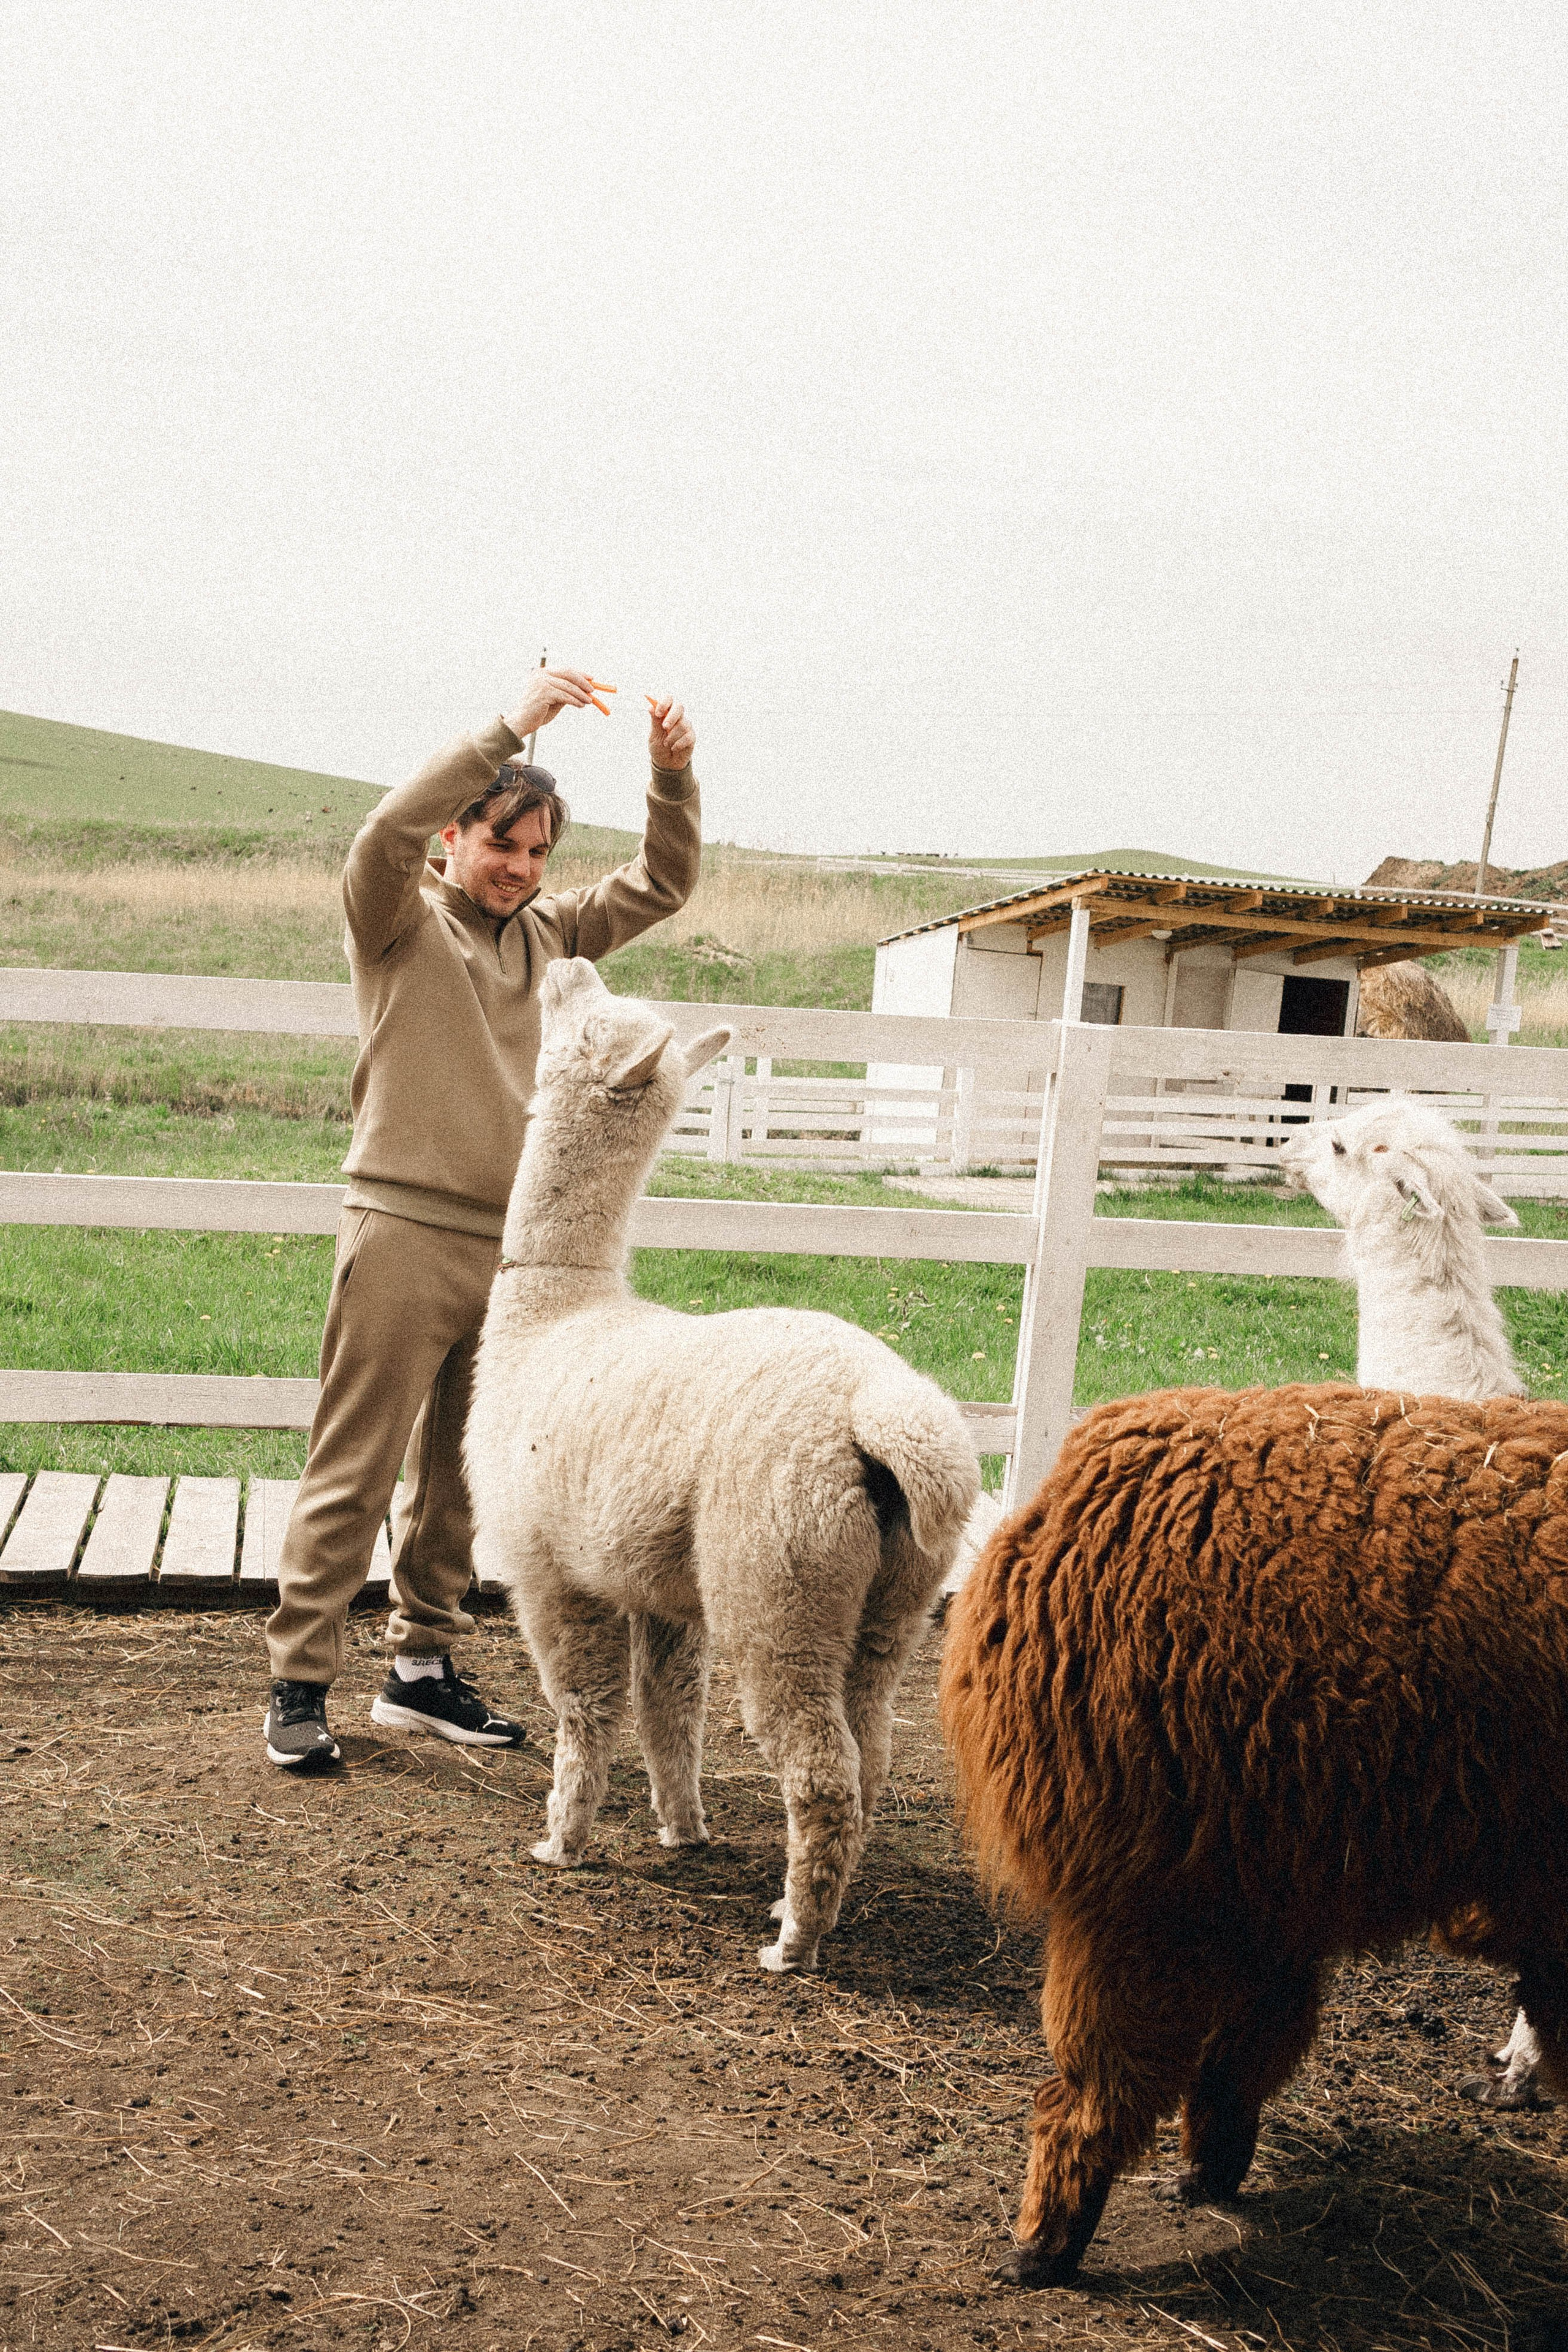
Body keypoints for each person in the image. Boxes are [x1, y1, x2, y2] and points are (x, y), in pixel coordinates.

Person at [262, 668, 701, 1768]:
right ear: (453, 838)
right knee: (355, 1470)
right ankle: (299, 1680)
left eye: (538, 850)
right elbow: (381, 828)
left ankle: (419, 1671)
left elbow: (663, 882)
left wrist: (671, 774)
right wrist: (513, 725)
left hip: (513, 1261)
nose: (519, 869)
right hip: (401, 1234)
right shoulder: (396, 922)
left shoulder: (553, 938)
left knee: (466, 1483)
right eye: (500, 842)